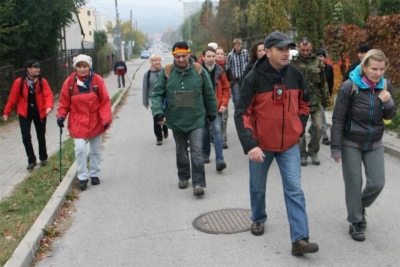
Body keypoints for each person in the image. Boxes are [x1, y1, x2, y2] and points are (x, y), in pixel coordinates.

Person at [234, 31, 319, 256]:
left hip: (289, 144)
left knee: (294, 190)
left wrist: (298, 127)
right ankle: (259, 218)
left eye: (287, 49)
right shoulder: (253, 78)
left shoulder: (295, 74)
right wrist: (250, 144)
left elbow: (305, 103)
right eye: (280, 49)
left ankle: (300, 239)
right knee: (257, 186)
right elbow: (241, 113)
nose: (285, 53)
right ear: (268, 51)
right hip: (261, 145)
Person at [331, 49, 396, 242]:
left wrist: (388, 102)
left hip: (374, 141)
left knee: (377, 183)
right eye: (374, 69)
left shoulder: (385, 86)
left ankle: (357, 206)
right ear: (364, 67)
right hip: (351, 142)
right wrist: (336, 147)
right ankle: (356, 221)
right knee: (353, 184)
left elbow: (389, 116)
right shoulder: (349, 87)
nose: (378, 73)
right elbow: (338, 119)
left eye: (382, 69)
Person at [151, 41, 217, 196]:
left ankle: (198, 183)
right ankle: (183, 176)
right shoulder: (167, 72)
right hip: (176, 119)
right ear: (174, 56)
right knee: (181, 150)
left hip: (196, 118)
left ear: (189, 55)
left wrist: (212, 111)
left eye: (183, 56)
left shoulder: (199, 70)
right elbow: (157, 94)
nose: (181, 59)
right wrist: (158, 112)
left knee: (196, 151)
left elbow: (208, 92)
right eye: (177, 56)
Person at [57, 54, 112, 191]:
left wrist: (105, 119)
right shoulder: (70, 82)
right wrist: (61, 116)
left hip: (95, 120)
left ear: (89, 67)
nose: (82, 69)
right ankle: (82, 176)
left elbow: (104, 101)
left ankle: (94, 174)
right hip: (77, 121)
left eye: (85, 66)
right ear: (76, 67)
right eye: (79, 66)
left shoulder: (97, 80)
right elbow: (64, 102)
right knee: (80, 149)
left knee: (95, 150)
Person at [3, 59, 54, 170]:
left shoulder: (42, 81)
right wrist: (7, 112)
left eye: (39, 67)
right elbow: (13, 98)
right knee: (26, 136)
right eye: (35, 67)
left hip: (39, 112)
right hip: (24, 113)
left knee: (41, 136)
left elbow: (48, 95)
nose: (38, 69)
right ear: (28, 69)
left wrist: (49, 107)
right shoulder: (19, 82)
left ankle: (43, 158)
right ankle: (31, 160)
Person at [291, 37, 330, 166]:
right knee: (300, 129)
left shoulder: (318, 62)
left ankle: (313, 151)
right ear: (298, 48)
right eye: (303, 50)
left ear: (311, 47)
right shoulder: (293, 63)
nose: (306, 52)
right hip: (299, 102)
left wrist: (326, 101)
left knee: (318, 127)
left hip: (316, 100)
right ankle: (302, 154)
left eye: (308, 50)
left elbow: (323, 82)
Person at [200, 46, 231, 171]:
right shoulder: (198, 70)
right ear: (203, 57)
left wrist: (224, 104)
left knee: (217, 131)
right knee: (205, 132)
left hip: (217, 107)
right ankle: (205, 154)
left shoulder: (220, 71)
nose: (212, 58)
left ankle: (219, 160)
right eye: (209, 56)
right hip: (202, 107)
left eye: (213, 56)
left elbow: (226, 89)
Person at [142, 53, 168, 145]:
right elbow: (145, 88)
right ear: (151, 62)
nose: (157, 62)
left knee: (165, 116)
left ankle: (165, 129)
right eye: (155, 60)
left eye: (158, 60)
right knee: (156, 117)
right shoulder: (147, 74)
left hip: (165, 98)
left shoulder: (166, 71)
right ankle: (159, 137)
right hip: (153, 98)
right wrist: (145, 102)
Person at [216, 46, 235, 149]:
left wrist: (227, 85)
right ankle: (213, 137)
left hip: (224, 96)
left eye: (221, 54)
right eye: (217, 53)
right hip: (213, 97)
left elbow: (233, 79)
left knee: (224, 119)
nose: (219, 56)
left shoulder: (226, 67)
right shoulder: (211, 67)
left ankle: (223, 140)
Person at [314, 49, 334, 145]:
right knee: (321, 116)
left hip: (324, 96)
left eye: (321, 56)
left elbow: (330, 83)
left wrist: (328, 96)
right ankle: (325, 137)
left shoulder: (329, 68)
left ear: (324, 57)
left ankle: (311, 129)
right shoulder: (312, 68)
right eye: (317, 56)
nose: (319, 58)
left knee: (319, 116)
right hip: (314, 97)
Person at [227, 38, 249, 106]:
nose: (239, 47)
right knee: (236, 95)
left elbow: (249, 62)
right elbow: (229, 66)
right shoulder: (230, 55)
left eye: (240, 45)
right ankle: (237, 109)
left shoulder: (245, 52)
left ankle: (244, 108)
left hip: (244, 77)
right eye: (237, 46)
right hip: (235, 78)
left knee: (245, 94)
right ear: (234, 46)